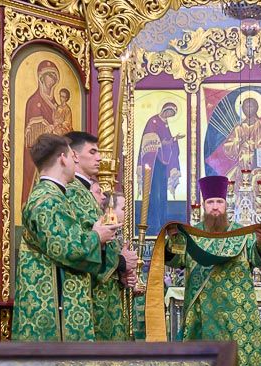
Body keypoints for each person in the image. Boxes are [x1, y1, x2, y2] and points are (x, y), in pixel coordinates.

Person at [165, 175, 261, 366]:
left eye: (219, 202)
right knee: (205, 363)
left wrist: (260, 242)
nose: (215, 207)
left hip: (236, 315)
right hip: (202, 315)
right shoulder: (191, 235)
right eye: (211, 202)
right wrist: (173, 239)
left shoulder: (242, 235)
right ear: (204, 205)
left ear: (227, 204)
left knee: (238, 362)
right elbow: (175, 260)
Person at [12, 133, 121, 341]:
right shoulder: (47, 200)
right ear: (63, 158)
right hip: (51, 306)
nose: (74, 162)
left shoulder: (54, 195)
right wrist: (97, 235)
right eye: (72, 156)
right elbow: (67, 249)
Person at [64, 131, 138, 340]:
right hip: (89, 293)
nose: (99, 158)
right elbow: (80, 245)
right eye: (93, 152)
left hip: (103, 291)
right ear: (74, 155)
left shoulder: (84, 192)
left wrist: (120, 270)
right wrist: (121, 262)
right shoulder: (73, 192)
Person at [91, 190, 135, 341]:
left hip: (114, 300)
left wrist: (123, 279)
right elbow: (95, 264)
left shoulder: (114, 237)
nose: (126, 214)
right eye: (123, 209)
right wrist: (121, 262)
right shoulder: (100, 232)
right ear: (110, 210)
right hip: (99, 301)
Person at [137, 102, 183, 234]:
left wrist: (174, 140)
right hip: (154, 163)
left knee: (162, 193)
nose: (169, 115)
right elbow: (151, 139)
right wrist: (166, 142)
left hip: (163, 164)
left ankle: (163, 223)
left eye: (172, 114)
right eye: (168, 112)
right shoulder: (153, 121)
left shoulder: (165, 123)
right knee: (154, 192)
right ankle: (154, 223)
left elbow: (166, 142)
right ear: (164, 109)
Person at [22, 61, 61, 209]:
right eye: (49, 76)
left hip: (54, 155)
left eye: (54, 77)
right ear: (41, 78)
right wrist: (47, 128)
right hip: (37, 156)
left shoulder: (57, 106)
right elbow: (30, 135)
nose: (52, 80)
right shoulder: (34, 101)